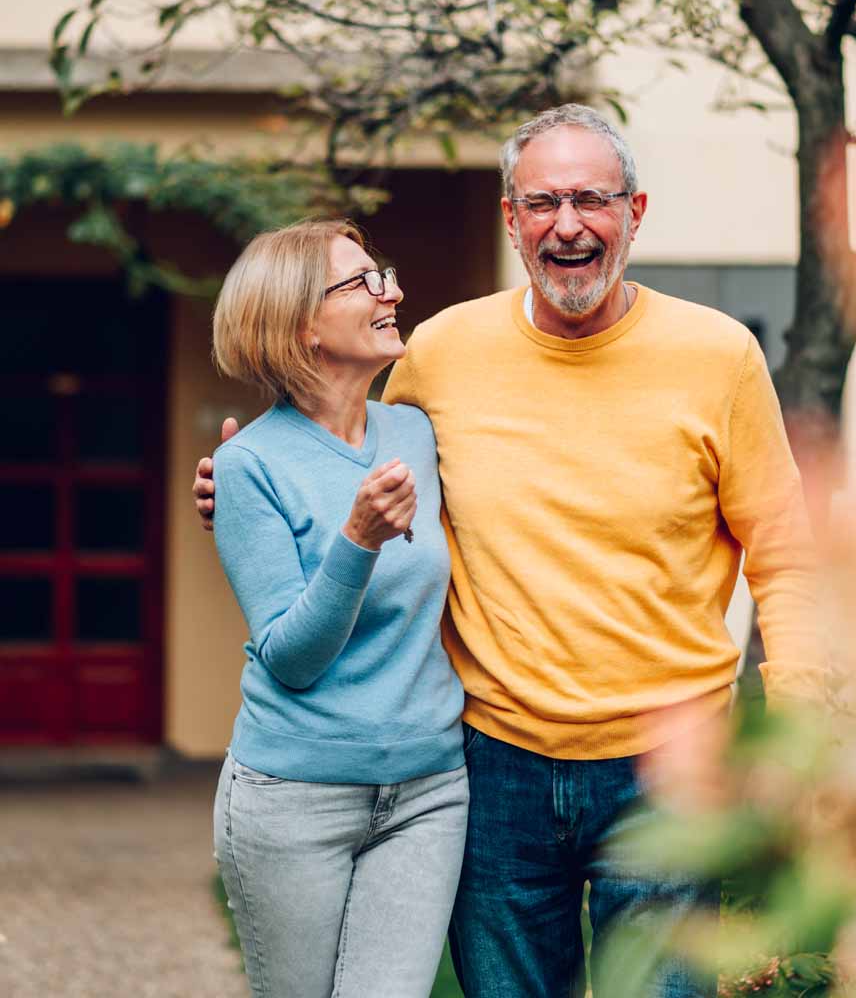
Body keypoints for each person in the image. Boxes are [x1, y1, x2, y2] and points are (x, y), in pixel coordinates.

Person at [195, 106, 824, 997]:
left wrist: (798, 725)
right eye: (543, 202)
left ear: (635, 212)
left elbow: (785, 554)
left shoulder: (719, 358)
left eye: (592, 199)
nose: (568, 223)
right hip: (491, 766)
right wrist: (237, 490)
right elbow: (334, 451)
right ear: (510, 219)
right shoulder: (441, 353)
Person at [206, 218, 468, 998]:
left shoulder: (417, 431)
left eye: (380, 272)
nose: (391, 290)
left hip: (429, 790)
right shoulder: (249, 465)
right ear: (299, 326)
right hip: (294, 799)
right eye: (361, 282)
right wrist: (357, 540)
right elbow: (291, 657)